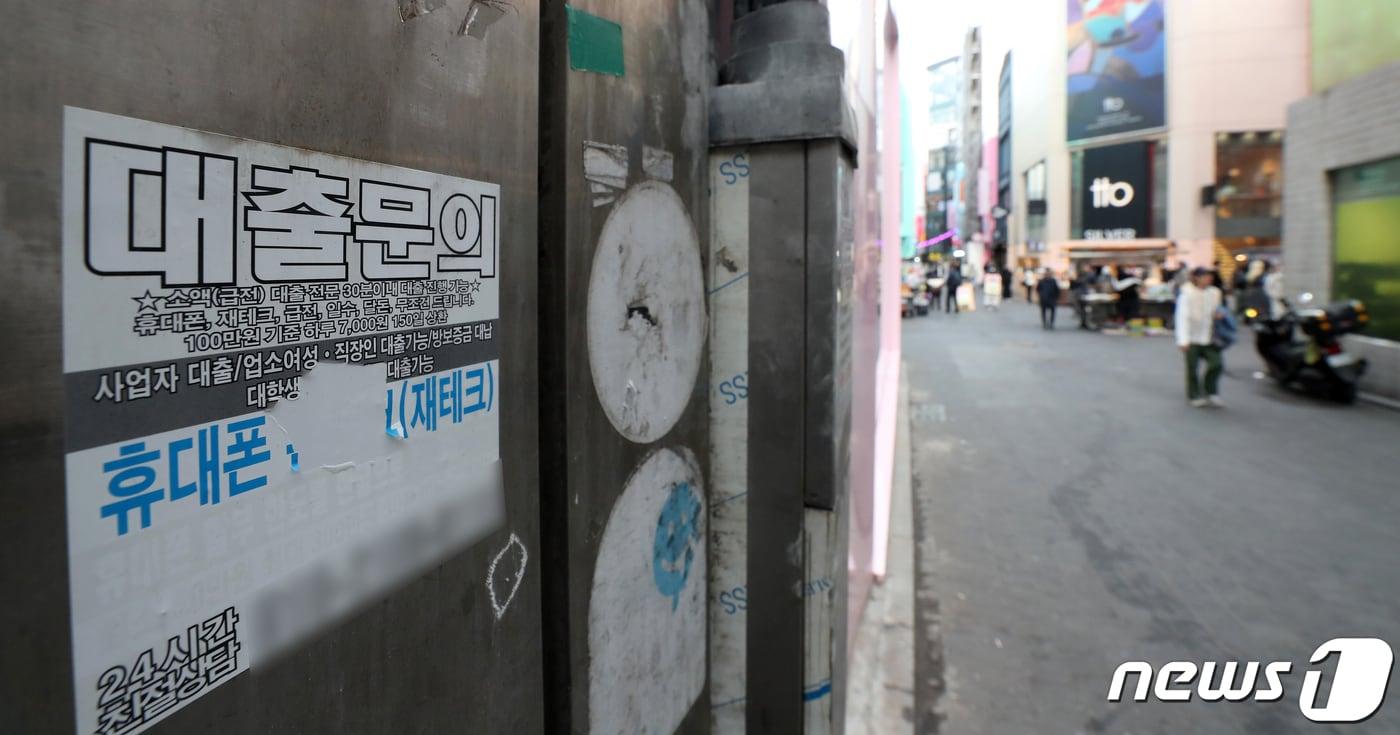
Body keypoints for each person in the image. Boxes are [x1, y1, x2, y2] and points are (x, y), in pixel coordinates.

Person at [1176, 266, 1225, 407]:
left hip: (1210, 336)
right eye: (1205, 276)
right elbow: (1182, 318)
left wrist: (1219, 315)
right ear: (1196, 278)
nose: (1209, 279)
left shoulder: (1215, 293)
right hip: (1192, 338)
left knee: (1216, 364)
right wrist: (1183, 340)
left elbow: (1219, 309)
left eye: (1210, 276)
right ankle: (1194, 394)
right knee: (1192, 368)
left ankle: (1210, 391)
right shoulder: (1186, 294)